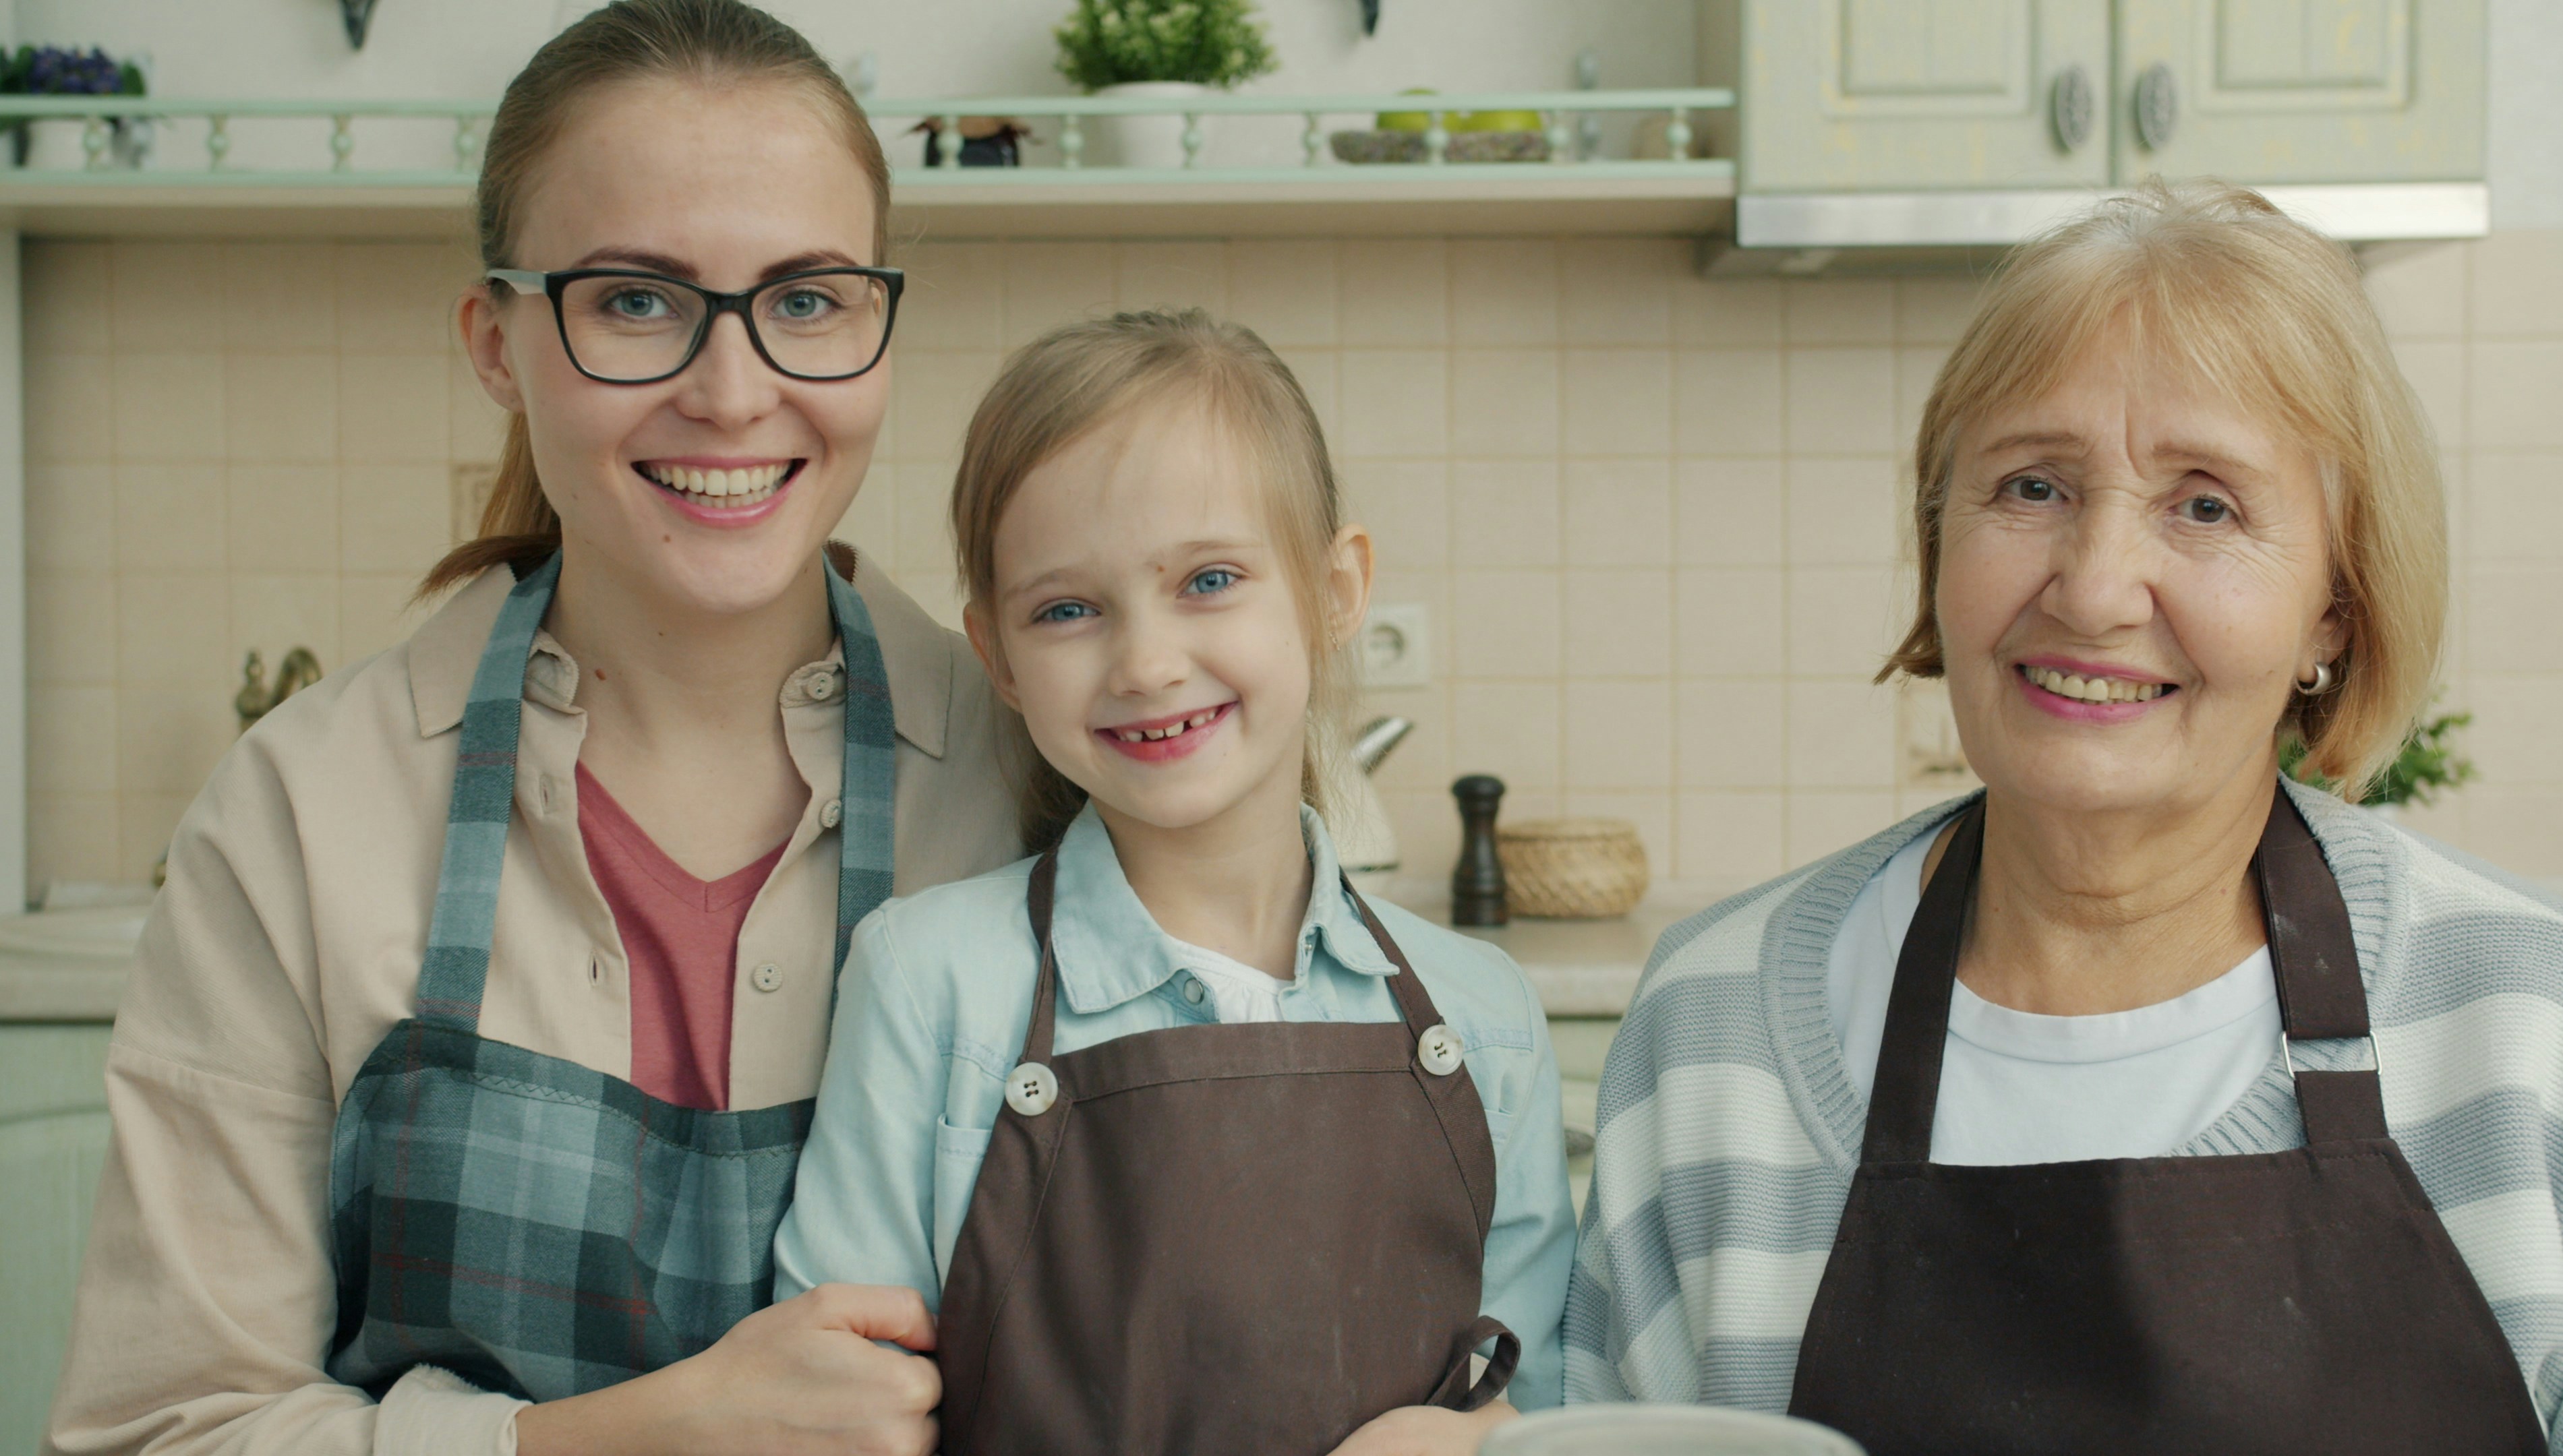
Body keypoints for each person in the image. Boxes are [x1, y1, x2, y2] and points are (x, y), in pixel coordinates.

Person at [45, 4, 1024, 1453]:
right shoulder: (302, 816)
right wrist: (625, 1441)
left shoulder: (1042, 782)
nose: (733, 390)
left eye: (808, 300)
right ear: (495, 342)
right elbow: (164, 1430)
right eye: (634, 300)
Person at [1568, 179, 2563, 1455]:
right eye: (2033, 488)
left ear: (2335, 607)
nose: (2097, 588)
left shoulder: (2536, 1030)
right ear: (1940, 543)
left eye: (2206, 504)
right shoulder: (1715, 1033)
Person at [770, 309, 1577, 1455]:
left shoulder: (1483, 1015)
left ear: (1336, 590)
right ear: (994, 654)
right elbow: (833, 1413)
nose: (1146, 663)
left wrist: (1481, 1440)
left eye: (1208, 579)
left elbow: (1541, 1391)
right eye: (1067, 609)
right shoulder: (927, 982)